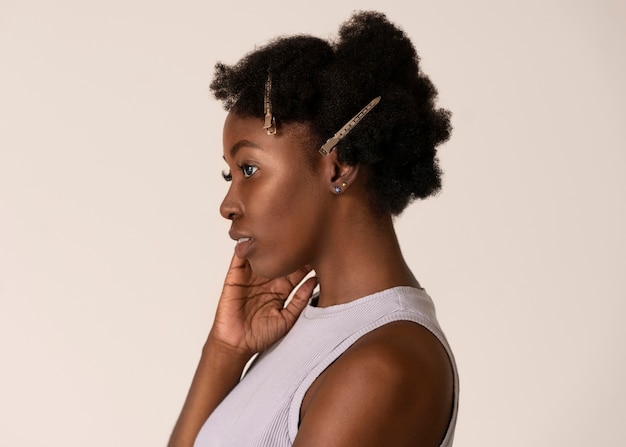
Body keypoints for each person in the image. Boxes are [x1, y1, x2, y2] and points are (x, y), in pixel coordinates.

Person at [168, 10, 459, 447]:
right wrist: (226, 350)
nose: (228, 205)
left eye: (249, 168)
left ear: (338, 167)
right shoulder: (311, 329)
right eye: (231, 175)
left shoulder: (381, 367)